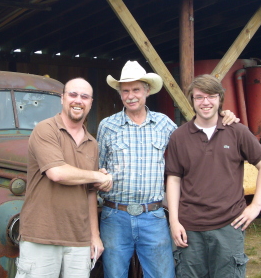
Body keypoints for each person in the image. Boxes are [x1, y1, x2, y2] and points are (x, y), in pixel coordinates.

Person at [97, 61, 238, 278]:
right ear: (120, 94)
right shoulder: (107, 126)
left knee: (163, 274)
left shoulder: (165, 124)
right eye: (125, 91)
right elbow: (98, 167)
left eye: (136, 90)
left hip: (153, 216)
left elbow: (195, 134)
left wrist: (222, 115)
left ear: (147, 91)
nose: (131, 95)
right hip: (115, 215)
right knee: (114, 274)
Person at [165, 74, 261, 278]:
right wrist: (174, 221)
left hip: (229, 226)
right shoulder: (179, 137)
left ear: (219, 99)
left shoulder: (237, 131)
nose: (205, 102)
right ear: (192, 101)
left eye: (211, 96)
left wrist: (256, 207)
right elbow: (174, 179)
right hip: (190, 229)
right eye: (199, 97)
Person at [15, 77, 113, 278]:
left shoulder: (91, 143)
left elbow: (90, 192)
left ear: (91, 103)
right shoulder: (45, 129)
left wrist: (94, 236)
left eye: (84, 97)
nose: (78, 100)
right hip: (41, 236)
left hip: (78, 239)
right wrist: (97, 175)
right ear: (62, 98)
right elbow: (56, 173)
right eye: (73, 95)